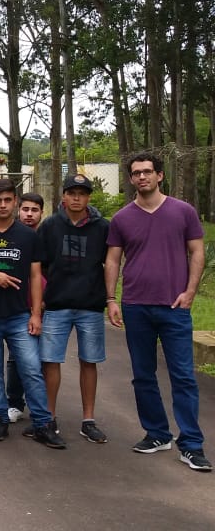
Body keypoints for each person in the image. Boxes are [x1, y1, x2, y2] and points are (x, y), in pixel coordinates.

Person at [105, 152, 210, 471]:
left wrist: (190, 291)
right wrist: (111, 299)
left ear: (160, 175)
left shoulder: (183, 211)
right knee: (143, 375)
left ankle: (191, 444)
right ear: (130, 178)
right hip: (136, 306)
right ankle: (157, 434)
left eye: (147, 171)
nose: (142, 177)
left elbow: (197, 251)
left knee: (183, 376)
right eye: (136, 173)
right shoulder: (122, 218)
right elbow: (113, 259)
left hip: (174, 307)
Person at [0, 179, 65, 449]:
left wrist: (36, 314)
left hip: (19, 315)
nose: (3, 205)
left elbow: (35, 275)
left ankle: (42, 423)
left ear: (15, 201)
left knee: (31, 369)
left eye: (8, 200)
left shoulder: (28, 236)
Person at [36, 174, 110, 444]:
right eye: (72, 193)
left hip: (90, 305)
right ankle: (49, 418)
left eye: (82, 193)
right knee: (50, 360)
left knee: (89, 361)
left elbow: (110, 262)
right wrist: (42, 299)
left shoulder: (103, 227)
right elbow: (40, 265)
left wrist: (110, 298)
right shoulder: (50, 225)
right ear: (64, 196)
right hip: (57, 305)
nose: (77, 198)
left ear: (88, 197)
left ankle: (88, 420)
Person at [5, 191, 46, 422]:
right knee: (16, 357)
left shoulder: (47, 237)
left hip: (45, 307)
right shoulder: (11, 236)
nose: (29, 214)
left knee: (43, 358)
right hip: (18, 307)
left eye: (34, 210)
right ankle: (14, 402)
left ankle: (42, 408)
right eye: (25, 209)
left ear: (42, 213)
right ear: (18, 210)